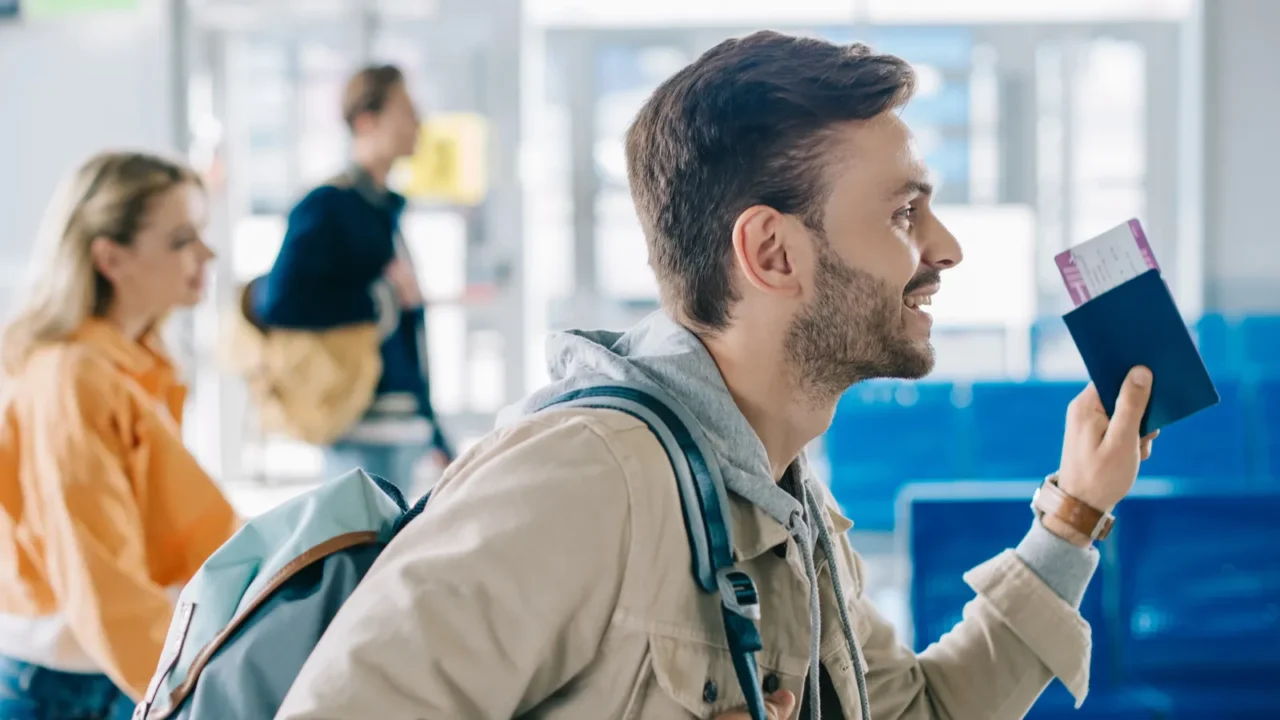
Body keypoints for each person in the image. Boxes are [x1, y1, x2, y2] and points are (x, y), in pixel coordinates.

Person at [277, 31, 1157, 720]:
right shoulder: (583, 480)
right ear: (771, 252)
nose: (945, 248)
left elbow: (918, 712)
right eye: (902, 213)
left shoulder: (778, 495)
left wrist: (1075, 514)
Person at [0, 151, 240, 718]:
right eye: (181, 239)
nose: (206, 254)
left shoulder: (134, 362)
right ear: (110, 258)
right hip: (71, 685)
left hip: (107, 669)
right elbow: (101, 581)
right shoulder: (73, 377)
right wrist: (203, 690)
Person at [247, 64, 451, 500]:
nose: (418, 124)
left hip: (402, 420)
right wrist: (380, 300)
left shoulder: (382, 208)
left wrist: (434, 429)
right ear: (365, 120)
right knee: (364, 541)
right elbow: (279, 301)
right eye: (406, 111)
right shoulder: (329, 205)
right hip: (361, 421)